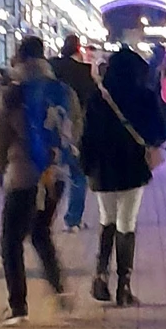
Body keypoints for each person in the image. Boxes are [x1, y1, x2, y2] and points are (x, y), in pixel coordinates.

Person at [0, 35, 79, 327]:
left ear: (20, 58)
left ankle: (17, 307)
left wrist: (1, 168)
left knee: (10, 241)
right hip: (55, 175)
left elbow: (0, 138)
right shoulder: (63, 91)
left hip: (23, 175)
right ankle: (60, 289)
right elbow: (75, 128)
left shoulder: (13, 92)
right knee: (40, 232)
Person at [80, 40, 166, 306]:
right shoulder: (144, 96)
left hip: (102, 169)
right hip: (132, 168)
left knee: (106, 220)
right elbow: (160, 132)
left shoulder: (98, 97)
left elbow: (86, 135)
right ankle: (124, 286)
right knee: (126, 223)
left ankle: (100, 277)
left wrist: (86, 166)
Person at [54, 34, 96, 231]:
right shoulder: (82, 71)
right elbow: (92, 100)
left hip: (51, 128)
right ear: (78, 49)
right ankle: (72, 219)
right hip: (76, 129)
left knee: (50, 174)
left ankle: (40, 219)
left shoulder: (52, 67)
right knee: (78, 175)